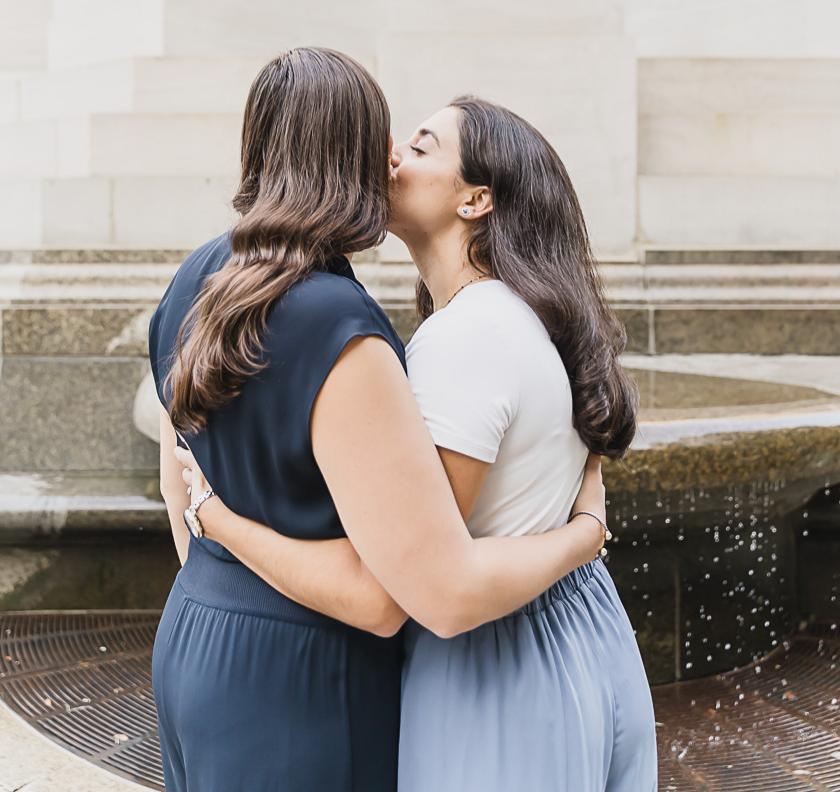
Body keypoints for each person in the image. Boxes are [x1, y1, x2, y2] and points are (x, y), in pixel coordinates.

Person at [151, 49, 618, 792]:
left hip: (191, 636)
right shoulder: (342, 323)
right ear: (354, 156)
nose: (394, 156)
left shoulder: (198, 276)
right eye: (388, 139)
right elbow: (381, 601)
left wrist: (217, 557)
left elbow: (177, 478)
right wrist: (585, 534)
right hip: (305, 677)